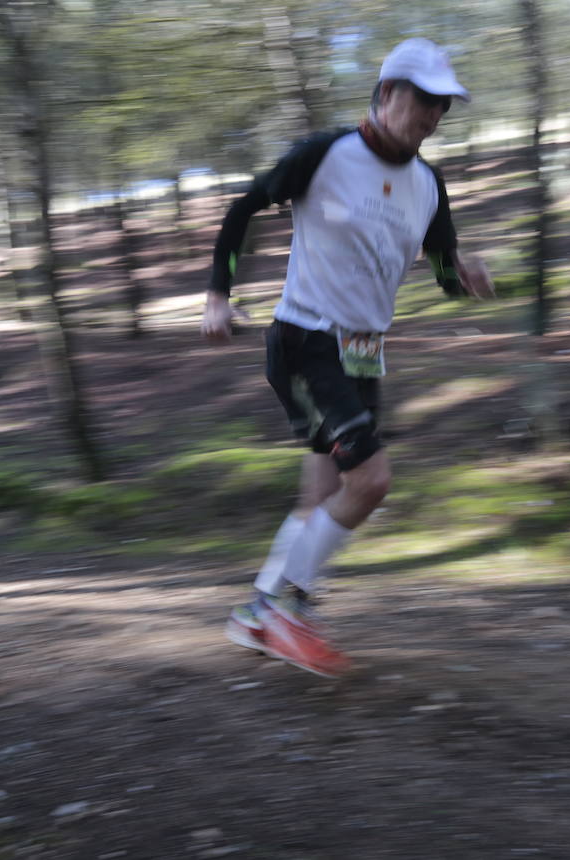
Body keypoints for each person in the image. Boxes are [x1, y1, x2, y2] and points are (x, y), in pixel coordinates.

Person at [201, 38, 492, 677]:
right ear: (387, 92)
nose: (433, 115)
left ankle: (255, 615)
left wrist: (464, 276)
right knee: (371, 482)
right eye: (424, 99)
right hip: (305, 341)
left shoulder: (429, 184)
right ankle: (288, 609)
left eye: (443, 105)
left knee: (321, 499)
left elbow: (442, 267)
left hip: (363, 353)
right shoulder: (325, 154)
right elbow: (243, 209)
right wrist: (219, 295)